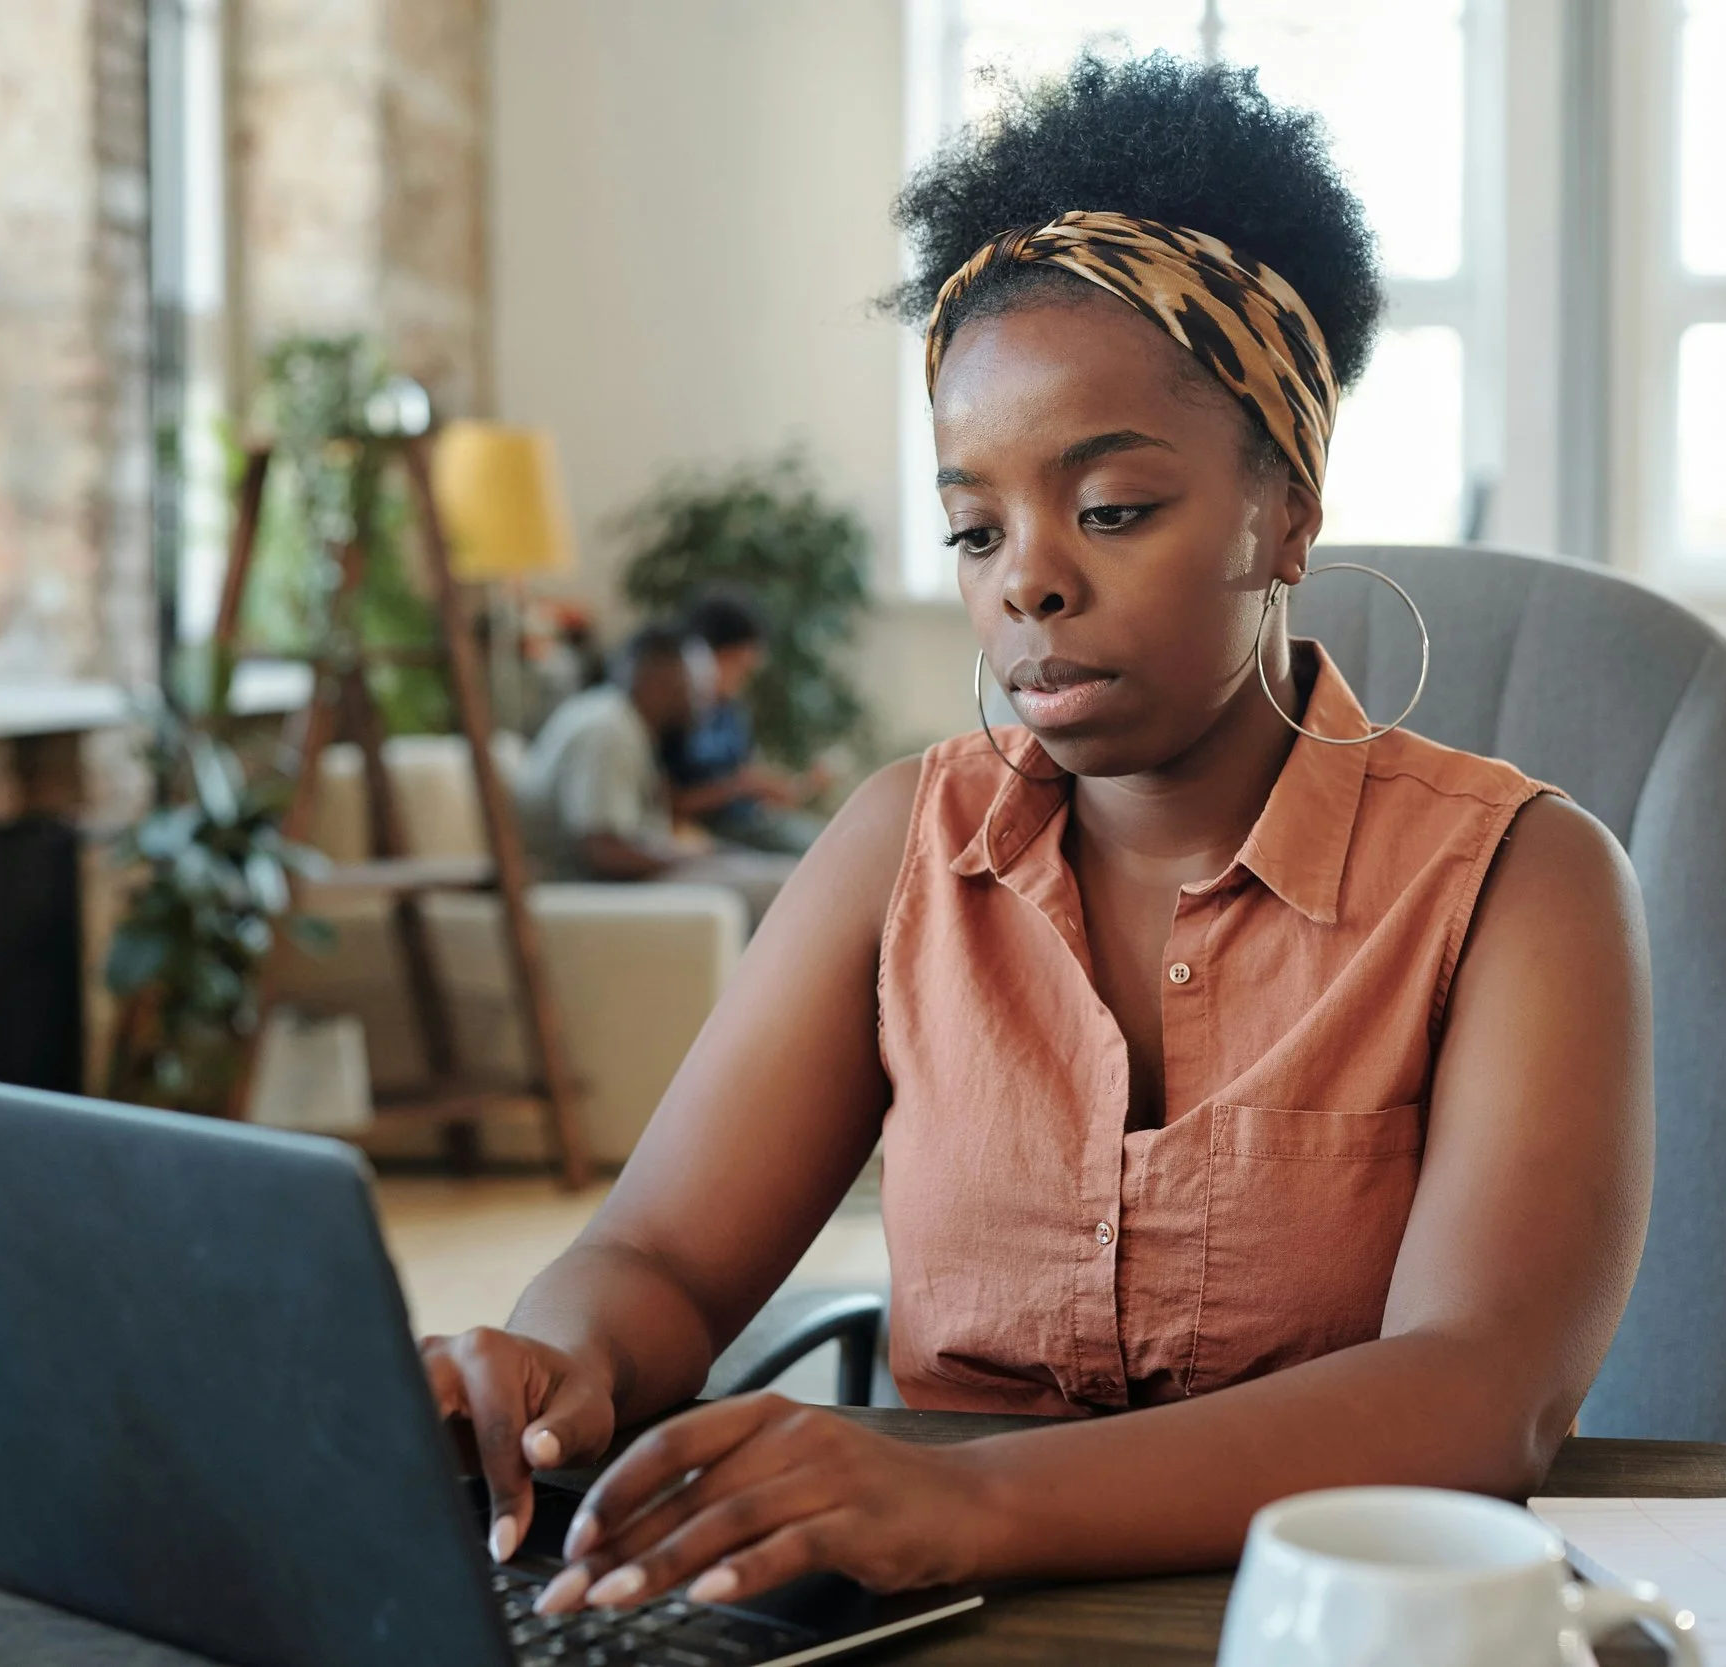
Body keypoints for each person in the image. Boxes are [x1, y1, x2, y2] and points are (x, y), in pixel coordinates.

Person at [424, 53, 1652, 1618]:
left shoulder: (1524, 883)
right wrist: (550, 1361)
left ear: (1284, 508)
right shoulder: (901, 847)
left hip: (1321, 1631)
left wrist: (960, 1496)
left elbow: (1481, 1395)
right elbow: (660, 1258)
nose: (1030, 581)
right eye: (976, 527)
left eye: (1115, 507)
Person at [519, 624, 796, 924]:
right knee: (785, 890)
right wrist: (692, 857)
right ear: (659, 680)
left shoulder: (619, 721)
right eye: (696, 687)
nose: (704, 702)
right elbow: (600, 850)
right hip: (589, 893)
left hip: (614, 884)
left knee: (779, 875)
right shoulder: (608, 731)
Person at [660, 592, 833, 856]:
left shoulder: (730, 712)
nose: (744, 679)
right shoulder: (674, 716)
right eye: (739, 666)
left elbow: (744, 772)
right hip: (709, 831)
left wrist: (791, 788)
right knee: (823, 855)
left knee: (836, 840)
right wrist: (737, 789)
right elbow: (666, 804)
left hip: (751, 820)